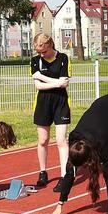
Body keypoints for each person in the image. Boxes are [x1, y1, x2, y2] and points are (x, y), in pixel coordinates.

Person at [30, 33, 71, 191]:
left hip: (61, 103)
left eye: (44, 51)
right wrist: (57, 83)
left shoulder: (63, 58)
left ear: (50, 45)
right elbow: (38, 86)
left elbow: (65, 83)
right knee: (43, 140)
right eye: (39, 52)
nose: (42, 55)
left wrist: (42, 77)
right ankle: (43, 172)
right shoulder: (35, 61)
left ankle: (64, 176)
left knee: (61, 140)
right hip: (42, 103)